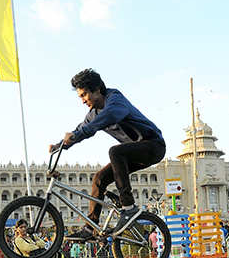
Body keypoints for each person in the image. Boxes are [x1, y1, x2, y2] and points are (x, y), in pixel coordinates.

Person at [50, 68, 165, 240]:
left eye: (84, 95)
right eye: (80, 96)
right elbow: (81, 129)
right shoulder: (93, 114)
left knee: (115, 152)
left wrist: (77, 135)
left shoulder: (115, 101)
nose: (82, 101)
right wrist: (60, 145)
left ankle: (128, 206)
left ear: (97, 89)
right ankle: (90, 229)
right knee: (99, 178)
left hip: (153, 146)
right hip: (134, 153)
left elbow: (106, 118)